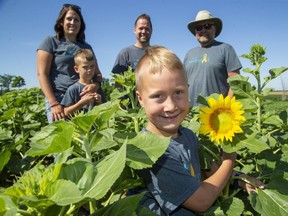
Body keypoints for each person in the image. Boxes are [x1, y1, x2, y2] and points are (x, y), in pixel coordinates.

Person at [135, 45, 265, 215]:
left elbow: (208, 170)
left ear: (188, 89)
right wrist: (229, 159)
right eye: (158, 96)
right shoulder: (148, 151)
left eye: (178, 92)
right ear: (140, 99)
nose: (171, 106)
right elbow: (201, 201)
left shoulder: (187, 135)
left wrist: (239, 179)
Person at [37, 4, 103, 123]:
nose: (73, 22)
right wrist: (53, 103)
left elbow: (97, 73)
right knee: (62, 137)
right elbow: (42, 74)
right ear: (61, 22)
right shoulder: (50, 42)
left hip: (82, 97)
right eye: (69, 19)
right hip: (59, 98)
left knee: (85, 137)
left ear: (80, 24)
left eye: (76, 20)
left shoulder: (86, 47)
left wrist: (96, 85)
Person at [183, 10, 242, 106]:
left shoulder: (225, 49)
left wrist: (226, 107)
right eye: (198, 28)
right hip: (190, 113)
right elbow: (183, 83)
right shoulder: (189, 54)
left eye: (207, 26)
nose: (203, 30)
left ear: (215, 28)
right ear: (195, 32)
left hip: (216, 113)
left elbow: (236, 82)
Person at [112, 13, 152, 85]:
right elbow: (118, 84)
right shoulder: (125, 54)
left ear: (151, 31)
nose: (143, 31)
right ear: (135, 30)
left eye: (147, 28)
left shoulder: (157, 53)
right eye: (140, 28)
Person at [60, 49, 103, 117]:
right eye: (85, 67)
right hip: (78, 126)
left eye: (92, 66)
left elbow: (105, 110)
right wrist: (82, 103)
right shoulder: (73, 89)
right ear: (76, 69)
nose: (89, 70)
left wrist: (100, 102)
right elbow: (66, 112)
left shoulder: (97, 88)